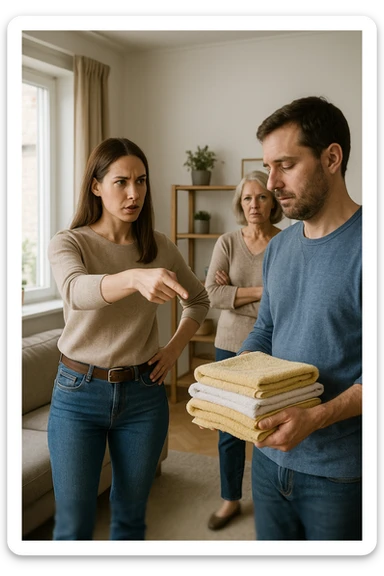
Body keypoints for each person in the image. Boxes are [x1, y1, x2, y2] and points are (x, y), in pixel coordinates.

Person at [47, 137, 210, 540]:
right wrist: (135, 277)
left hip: (143, 394)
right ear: (96, 186)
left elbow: (200, 300)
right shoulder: (70, 242)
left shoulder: (159, 247)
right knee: (73, 524)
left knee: (131, 517)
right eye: (121, 182)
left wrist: (173, 349)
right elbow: (76, 291)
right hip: (77, 393)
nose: (134, 193)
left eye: (141, 181)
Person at [237, 96, 362, 540]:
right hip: (269, 462)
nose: (271, 183)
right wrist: (227, 382)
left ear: (332, 157)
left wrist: (317, 417)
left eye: (285, 165)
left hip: (341, 474)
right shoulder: (280, 249)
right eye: (268, 167)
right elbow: (267, 330)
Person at [203, 170, 283, 530]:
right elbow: (212, 295)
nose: (255, 204)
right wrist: (261, 292)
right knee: (229, 429)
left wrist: (236, 293)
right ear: (240, 203)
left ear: (273, 202)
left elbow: (286, 302)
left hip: (273, 346)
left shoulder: (288, 241)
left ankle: (274, 497)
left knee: (270, 424)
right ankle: (230, 499)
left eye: (262, 197)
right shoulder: (227, 242)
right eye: (248, 198)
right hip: (229, 346)